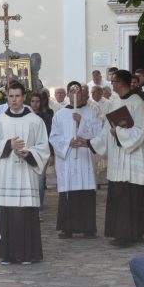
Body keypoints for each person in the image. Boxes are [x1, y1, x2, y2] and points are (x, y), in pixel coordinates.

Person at [88, 70, 144, 247]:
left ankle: (128, 235)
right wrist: (91, 143)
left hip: (133, 160)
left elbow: (142, 131)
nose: (112, 85)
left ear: (122, 83)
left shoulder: (137, 103)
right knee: (122, 196)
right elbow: (105, 129)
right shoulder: (115, 103)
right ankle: (128, 233)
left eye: (114, 81)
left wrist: (118, 131)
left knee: (130, 197)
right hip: (120, 159)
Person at [0, 81, 50, 264]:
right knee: (8, 213)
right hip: (6, 174)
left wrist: (30, 153)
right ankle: (8, 254)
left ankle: (27, 253)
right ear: (7, 97)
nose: (14, 100)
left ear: (24, 97)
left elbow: (43, 147)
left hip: (26, 174)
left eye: (17, 96)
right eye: (11, 96)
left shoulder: (35, 121)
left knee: (25, 213)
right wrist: (8, 145)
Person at [49, 82, 102, 238]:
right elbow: (54, 137)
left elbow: (98, 134)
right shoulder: (59, 114)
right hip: (68, 159)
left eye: (77, 91)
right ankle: (68, 228)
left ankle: (88, 227)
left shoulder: (92, 112)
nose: (75, 95)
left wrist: (82, 122)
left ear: (82, 94)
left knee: (86, 192)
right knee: (69, 193)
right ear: (67, 94)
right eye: (71, 92)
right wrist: (67, 143)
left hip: (85, 158)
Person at [30, 92, 54, 222]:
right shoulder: (25, 117)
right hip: (27, 152)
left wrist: (52, 153)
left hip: (41, 153)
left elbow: (50, 135)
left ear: (41, 103)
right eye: (32, 101)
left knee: (39, 183)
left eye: (37, 101)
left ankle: (39, 209)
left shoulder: (46, 117)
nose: (35, 104)